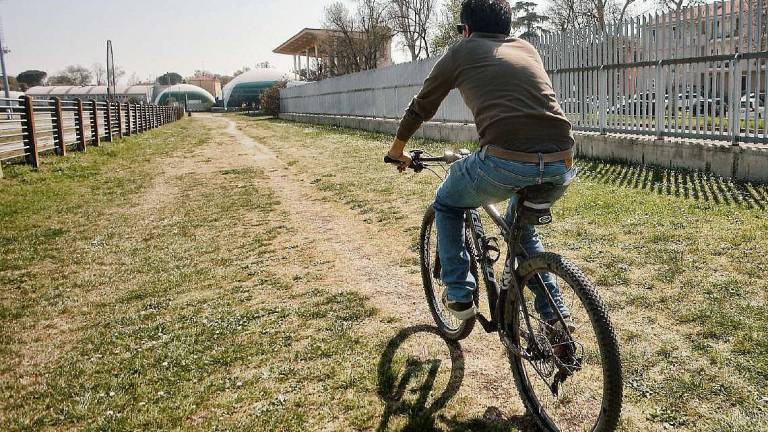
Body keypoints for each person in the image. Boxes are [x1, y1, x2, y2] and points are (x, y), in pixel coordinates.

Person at [386, 0, 576, 324]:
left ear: (467, 29)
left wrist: (397, 150)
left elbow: (421, 107)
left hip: (504, 161)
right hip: (562, 162)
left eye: (461, 30)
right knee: (524, 233)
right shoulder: (527, 48)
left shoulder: (460, 51)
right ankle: (556, 319)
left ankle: (458, 294)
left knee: (447, 203)